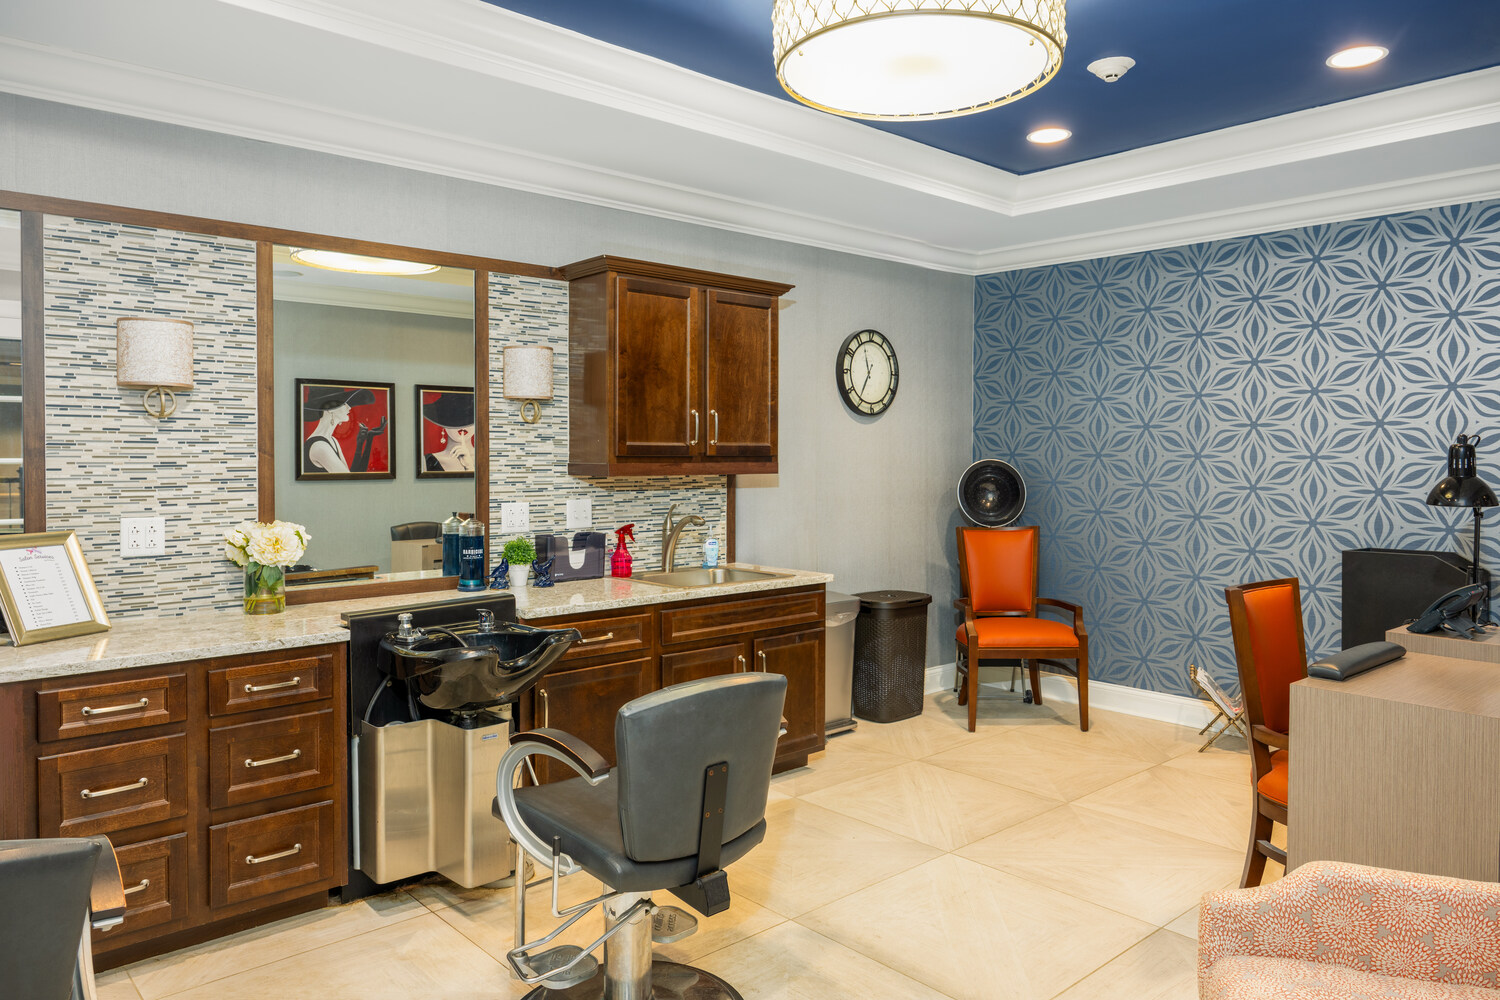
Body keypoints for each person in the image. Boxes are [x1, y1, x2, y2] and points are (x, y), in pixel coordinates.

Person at [302, 385, 377, 474]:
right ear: (330, 409)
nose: (349, 407)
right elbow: (348, 481)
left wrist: (365, 441)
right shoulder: (320, 447)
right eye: (344, 403)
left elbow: (351, 476)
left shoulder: (332, 440)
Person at [422, 391, 475, 473]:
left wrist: (469, 467)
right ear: (443, 423)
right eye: (454, 418)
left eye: (469, 418)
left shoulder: (488, 458)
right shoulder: (426, 461)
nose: (462, 426)